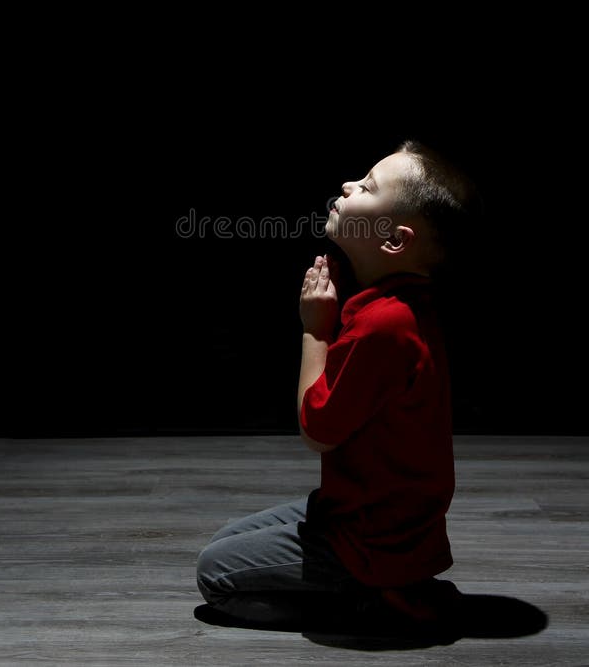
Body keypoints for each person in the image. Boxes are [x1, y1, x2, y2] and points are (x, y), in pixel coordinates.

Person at [196, 140, 481, 635]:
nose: (348, 185)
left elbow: (318, 430)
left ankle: (373, 602)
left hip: (371, 538)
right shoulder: (397, 305)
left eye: (368, 187)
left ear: (394, 240)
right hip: (362, 512)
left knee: (214, 575)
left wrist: (315, 329)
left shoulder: (386, 324)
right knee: (225, 540)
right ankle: (392, 586)